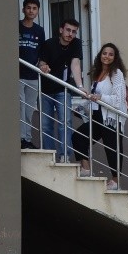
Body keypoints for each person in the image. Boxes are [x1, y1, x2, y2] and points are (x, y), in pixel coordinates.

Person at [73, 42, 128, 190]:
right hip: (97, 116)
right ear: (100, 55)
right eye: (105, 53)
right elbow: (94, 97)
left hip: (110, 118)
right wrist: (80, 107)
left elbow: (118, 99)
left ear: (115, 57)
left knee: (112, 149)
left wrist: (100, 97)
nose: (107, 57)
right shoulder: (98, 74)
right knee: (78, 137)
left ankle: (115, 182)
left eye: (111, 54)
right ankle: (86, 168)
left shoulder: (116, 73)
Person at [36, 18, 82, 163]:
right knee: (46, 124)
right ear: (61, 30)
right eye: (68, 30)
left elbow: (75, 64)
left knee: (65, 122)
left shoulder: (76, 43)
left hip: (63, 89)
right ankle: (50, 155)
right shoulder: (49, 43)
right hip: (45, 89)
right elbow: (41, 61)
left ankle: (65, 156)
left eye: (74, 32)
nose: (71, 34)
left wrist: (80, 87)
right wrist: (43, 66)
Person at [18, 0, 45, 148]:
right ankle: (20, 138)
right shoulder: (16, 26)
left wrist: (42, 63)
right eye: (28, 8)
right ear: (23, 9)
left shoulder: (39, 31)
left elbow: (41, 53)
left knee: (29, 110)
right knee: (20, 107)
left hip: (33, 76)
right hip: (18, 75)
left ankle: (27, 138)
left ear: (38, 11)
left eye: (34, 8)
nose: (31, 11)